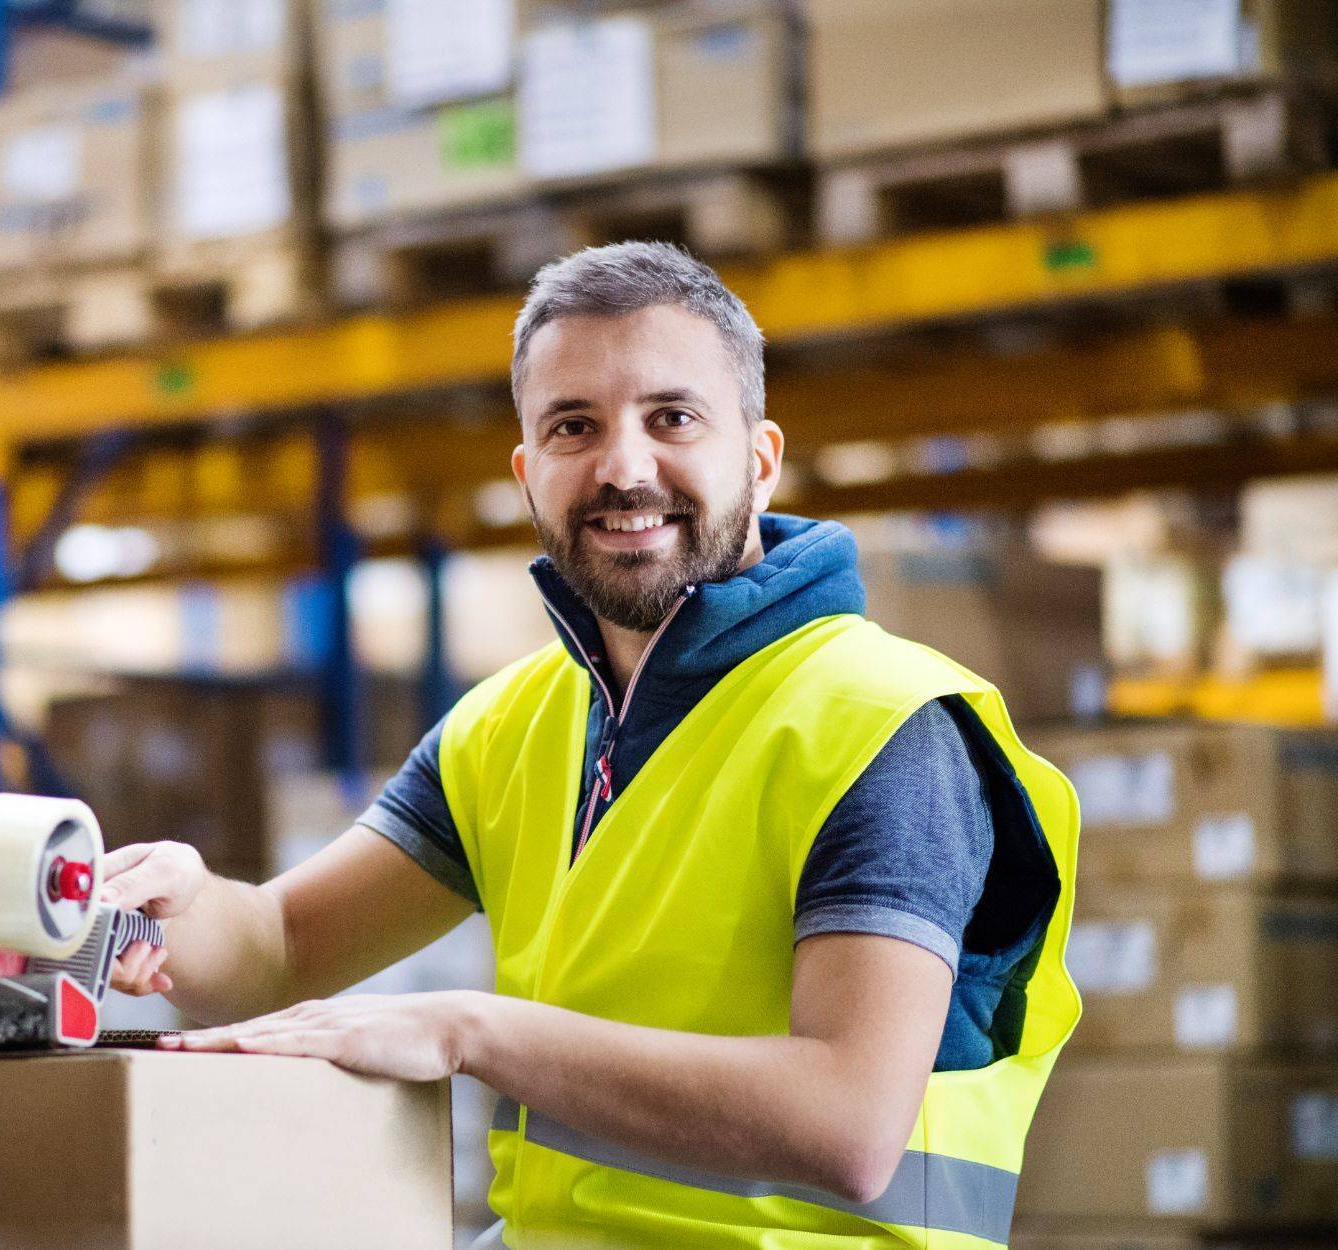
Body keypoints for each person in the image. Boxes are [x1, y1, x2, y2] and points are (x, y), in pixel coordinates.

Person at [96, 241, 1081, 1248]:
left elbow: (847, 1120)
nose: (621, 466)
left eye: (672, 417)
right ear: (528, 473)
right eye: (574, 426)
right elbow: (283, 946)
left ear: (759, 456)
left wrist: (466, 1028)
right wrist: (179, 910)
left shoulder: (882, 723)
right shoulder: (508, 726)